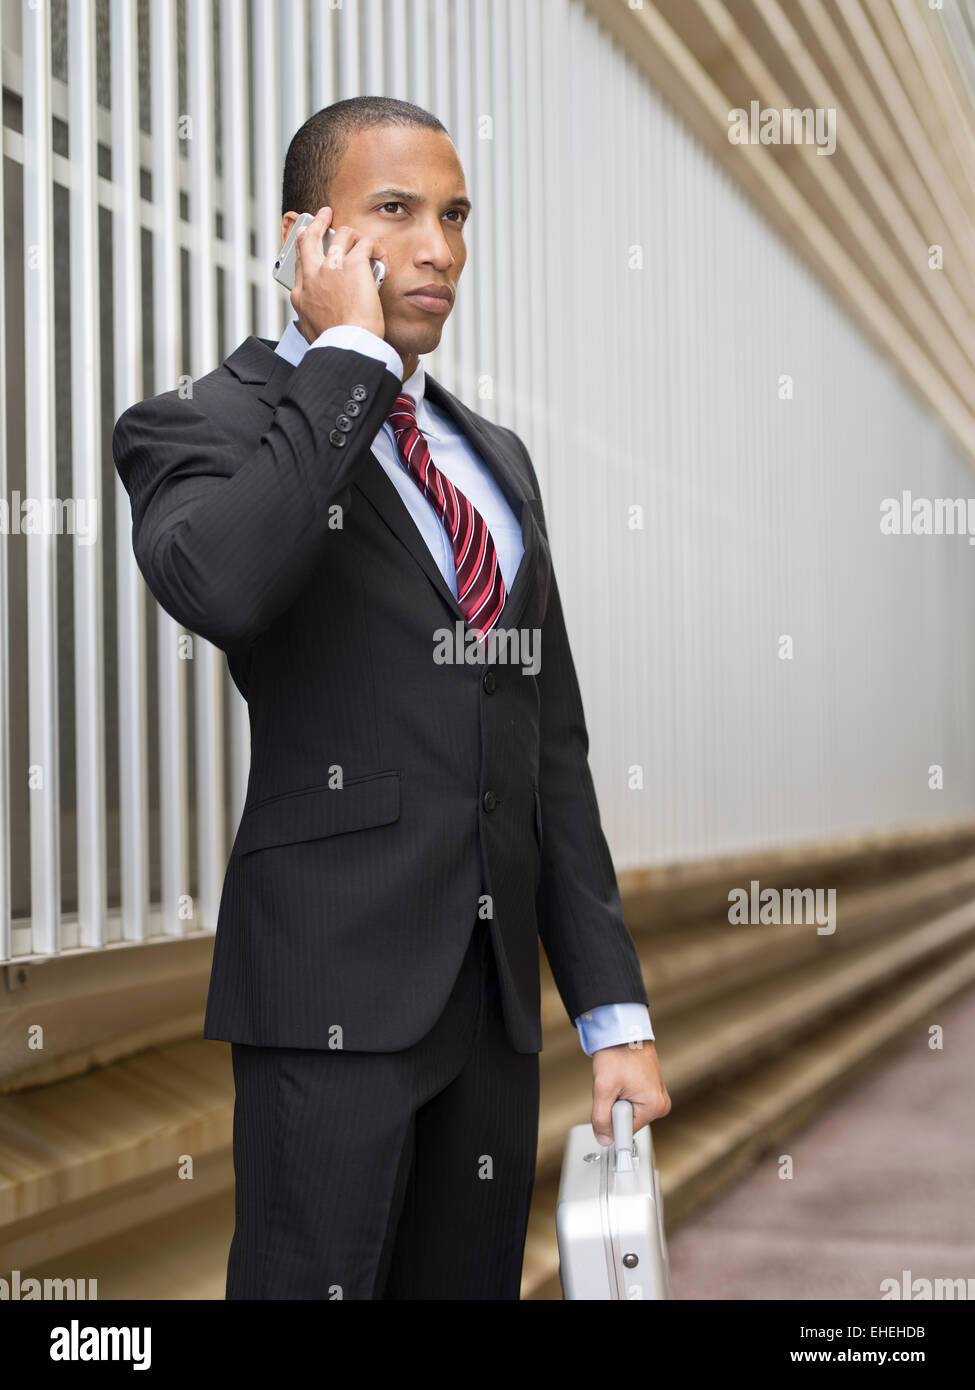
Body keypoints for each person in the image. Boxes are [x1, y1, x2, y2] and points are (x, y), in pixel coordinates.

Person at [113, 95, 670, 1300]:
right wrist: (348, 360)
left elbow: (547, 747)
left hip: (493, 1009)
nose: (439, 248)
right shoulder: (198, 427)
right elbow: (222, 583)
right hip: (329, 988)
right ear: (307, 237)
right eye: (397, 212)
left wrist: (612, 1013)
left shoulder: (497, 460)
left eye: (456, 216)